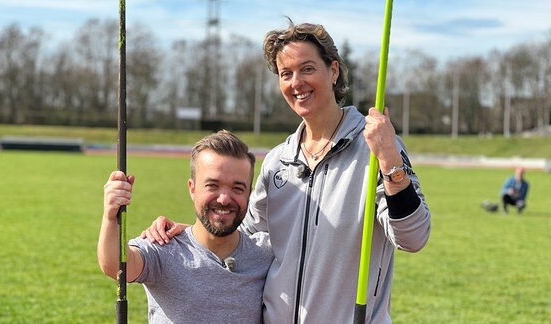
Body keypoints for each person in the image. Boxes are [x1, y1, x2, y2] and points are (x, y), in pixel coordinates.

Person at [142, 19, 431, 323]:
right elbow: (244, 241)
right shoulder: (278, 161)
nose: (296, 83)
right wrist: (189, 233)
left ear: (333, 71)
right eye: (286, 74)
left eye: (307, 69)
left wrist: (390, 163)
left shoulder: (376, 147)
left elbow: (413, 237)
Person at [98, 130, 274, 323]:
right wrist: (110, 216)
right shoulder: (163, 247)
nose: (224, 199)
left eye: (237, 188)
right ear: (192, 188)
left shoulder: (266, 253)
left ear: (249, 193)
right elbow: (116, 266)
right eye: (212, 186)